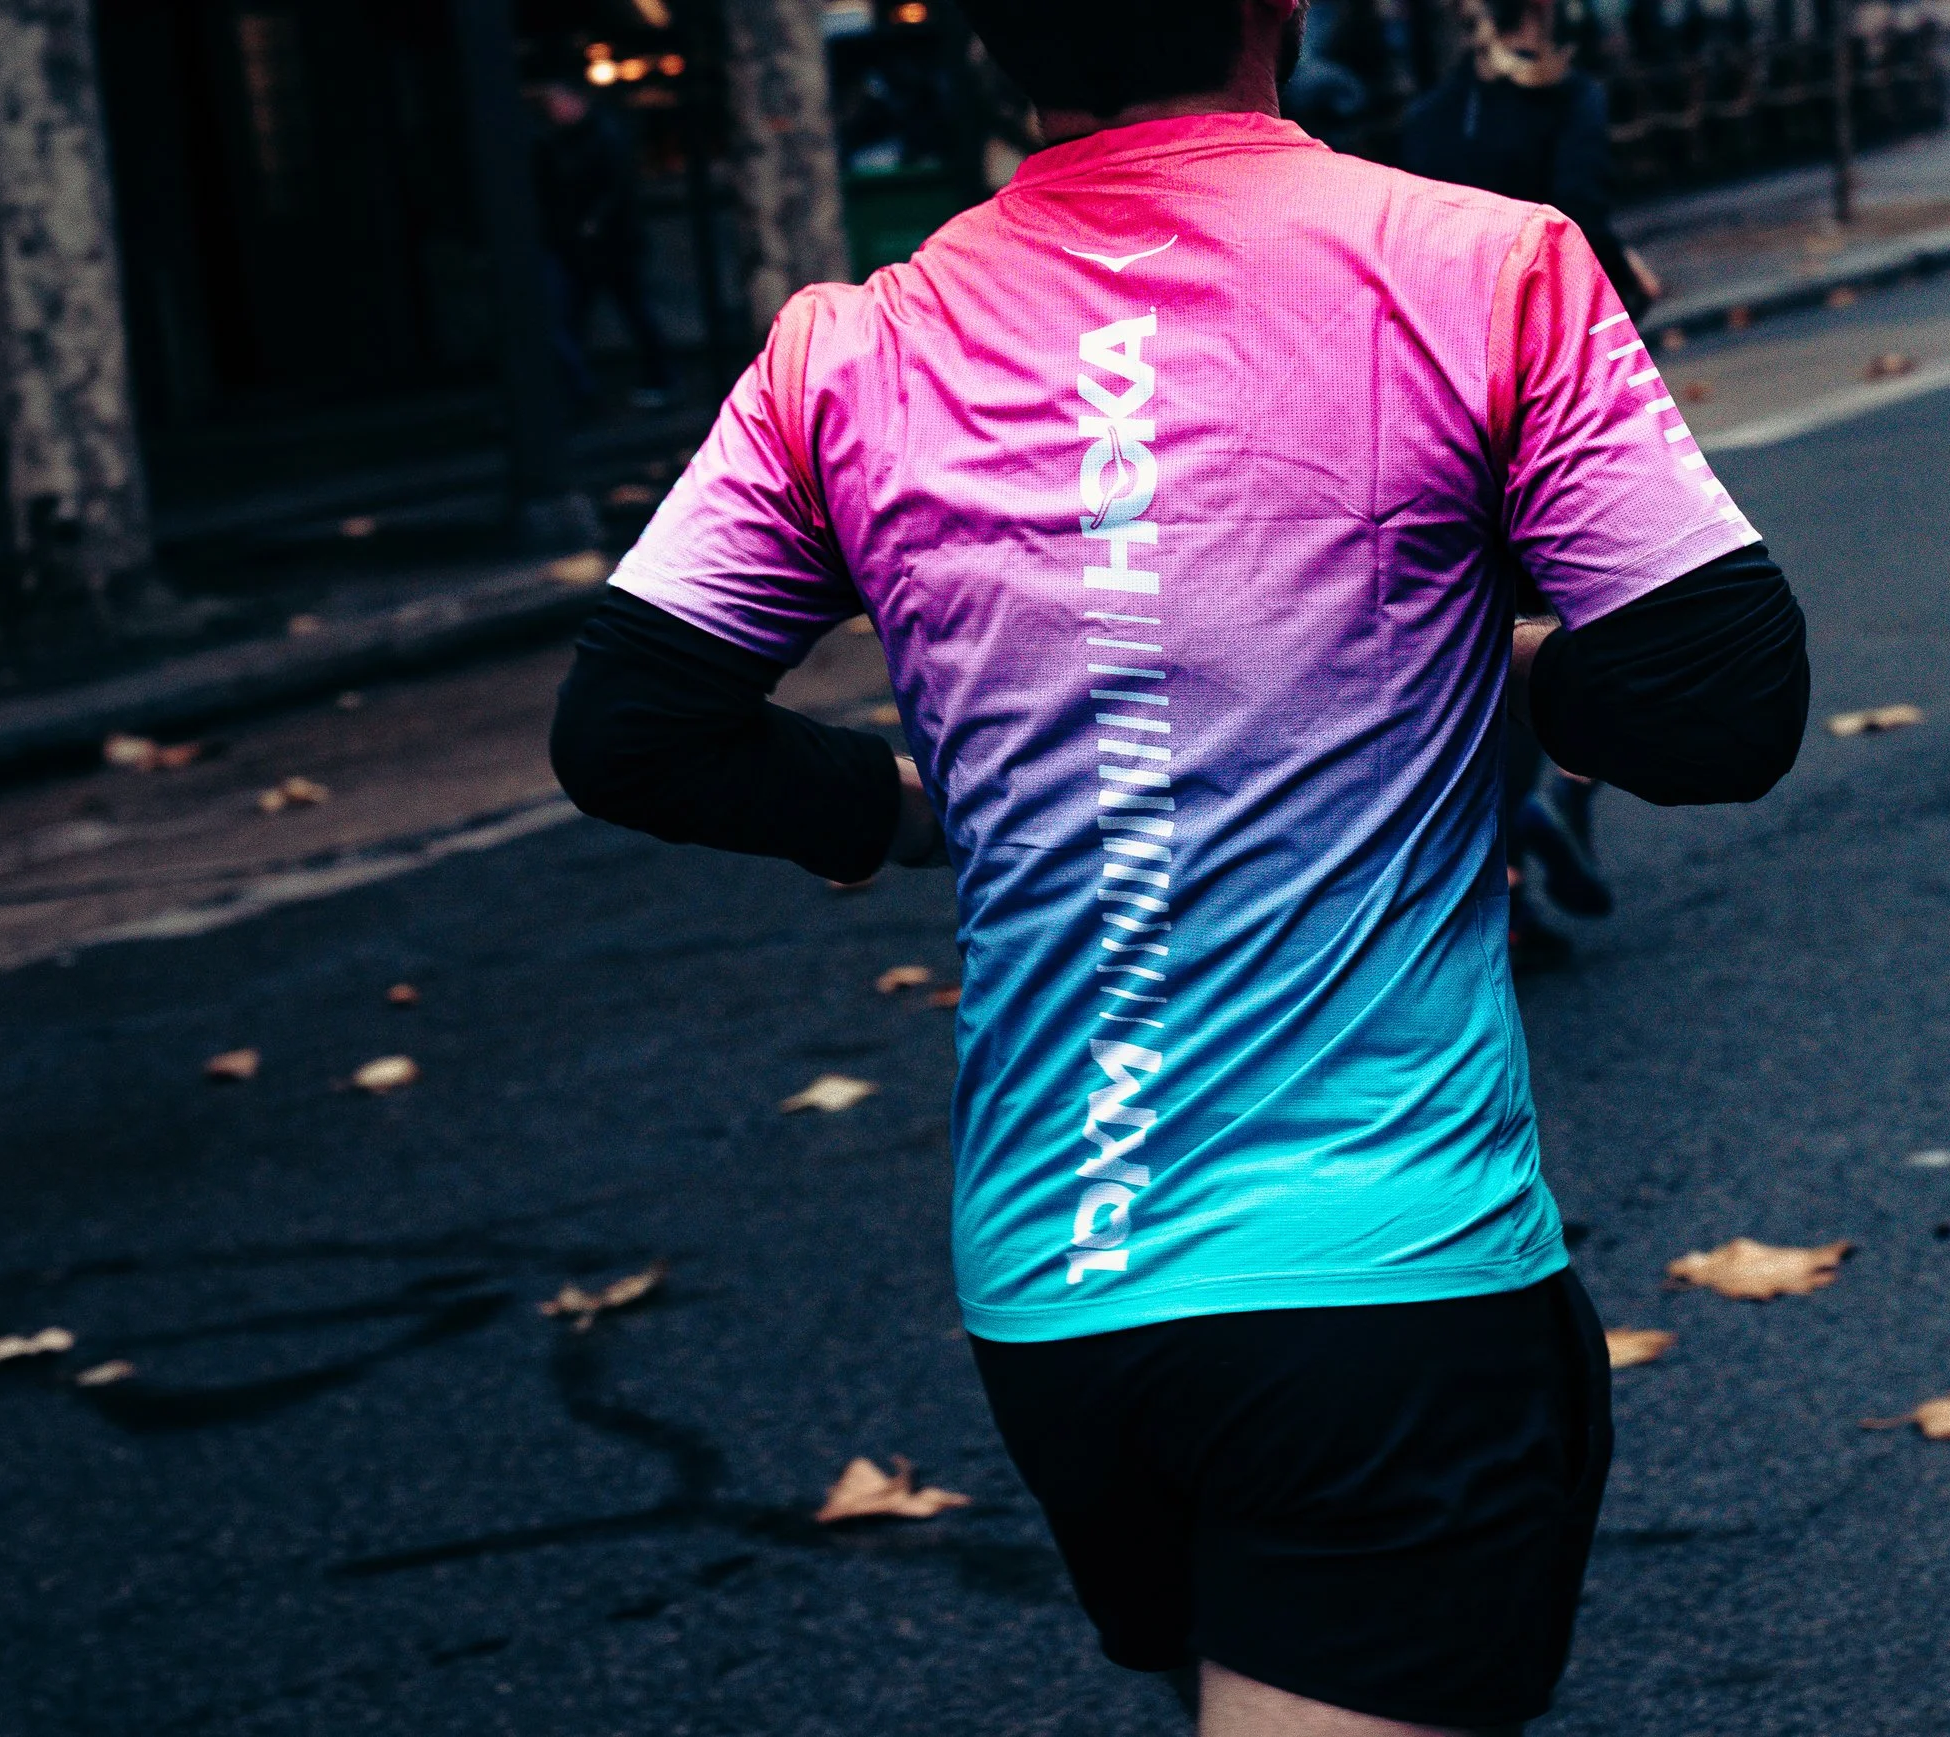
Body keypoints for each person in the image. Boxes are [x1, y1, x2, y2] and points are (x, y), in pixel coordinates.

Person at [550, 2, 1807, 1730]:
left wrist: (903, 811)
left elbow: (630, 726)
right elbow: (1722, 700)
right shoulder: (1486, 268)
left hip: (1058, 1301)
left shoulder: (843, 350)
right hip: (1384, 1284)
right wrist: (1496, 671)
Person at [1398, 0, 1662, 967]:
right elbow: (1574, 223)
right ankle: (1554, 796)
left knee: (1479, 634)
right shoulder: (1571, 102)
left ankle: (1504, 870)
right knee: (1598, 614)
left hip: (1444, 396)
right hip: (1552, 391)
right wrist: (1630, 282)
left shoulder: (1426, 121)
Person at [531, 79, 676, 413]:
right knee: (567, 320)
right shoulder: (553, 140)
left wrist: (594, 223)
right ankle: (578, 390)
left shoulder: (606, 135)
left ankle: (660, 378)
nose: (555, 111)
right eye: (550, 106)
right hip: (577, 248)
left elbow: (618, 188)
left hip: (611, 246)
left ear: (577, 101)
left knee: (633, 313)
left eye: (559, 103)